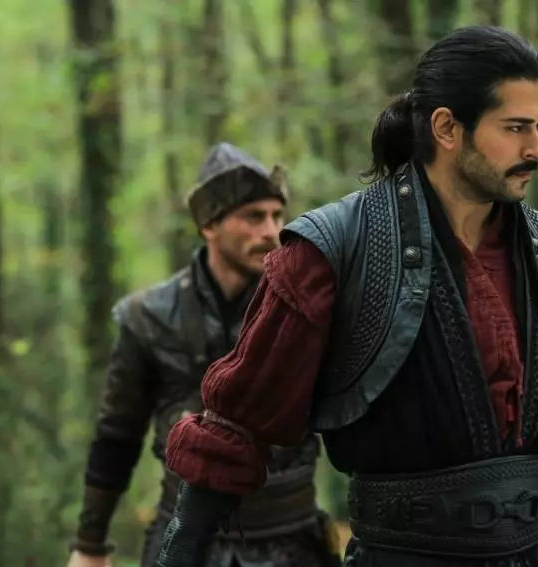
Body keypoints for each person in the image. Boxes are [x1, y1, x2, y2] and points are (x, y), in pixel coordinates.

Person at [155, 27, 538, 567]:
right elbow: (236, 431)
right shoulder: (335, 250)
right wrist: (181, 550)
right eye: (516, 127)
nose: (536, 149)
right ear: (447, 128)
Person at [66, 142, 341, 567]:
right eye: (253, 217)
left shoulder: (308, 308)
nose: (271, 231)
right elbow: (117, 436)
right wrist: (89, 545)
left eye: (276, 215)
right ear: (209, 226)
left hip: (293, 541)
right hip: (183, 540)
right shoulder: (147, 317)